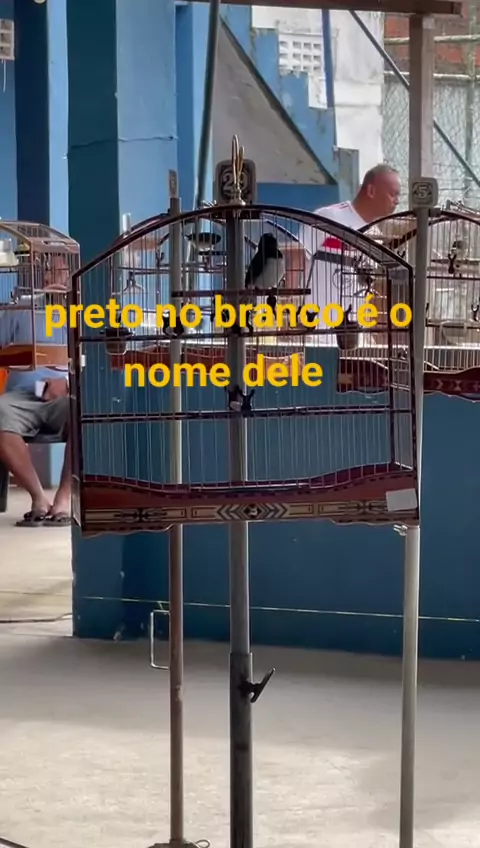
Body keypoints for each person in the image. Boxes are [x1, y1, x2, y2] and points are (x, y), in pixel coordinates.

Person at [0, 254, 71, 526]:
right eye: (46, 271)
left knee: (84, 415)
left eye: (58, 271)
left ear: (71, 276)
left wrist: (67, 385)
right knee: (0, 411)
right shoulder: (21, 308)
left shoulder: (83, 314)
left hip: (65, 398)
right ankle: (38, 497)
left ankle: (64, 499)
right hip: (22, 396)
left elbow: (98, 364)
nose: (50, 277)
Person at [298, 164, 401, 330]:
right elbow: (298, 257)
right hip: (316, 331)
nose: (397, 201)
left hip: (352, 334)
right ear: (371, 191)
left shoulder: (375, 236)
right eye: (392, 194)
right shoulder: (330, 217)